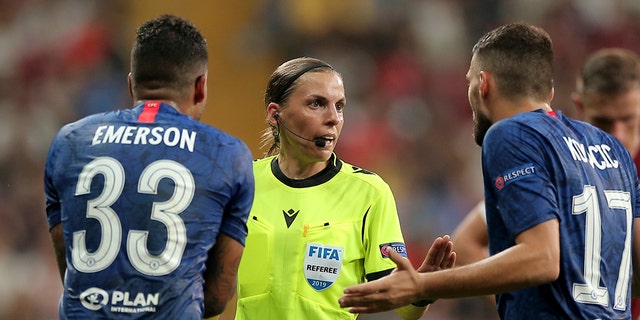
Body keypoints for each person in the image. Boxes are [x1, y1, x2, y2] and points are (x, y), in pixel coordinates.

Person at [339, 22, 640, 319]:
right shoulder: (611, 148)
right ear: (549, 91)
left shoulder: (511, 134)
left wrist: (421, 284)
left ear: (483, 84)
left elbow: (542, 259)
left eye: (469, 80)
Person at [44, 14, 255, 319]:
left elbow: (71, 265)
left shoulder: (69, 141)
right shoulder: (228, 155)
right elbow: (217, 296)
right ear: (201, 86)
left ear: (131, 85)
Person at [233, 57, 455, 320]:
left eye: (339, 106)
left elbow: (406, 311)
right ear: (275, 114)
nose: (333, 119)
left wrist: (422, 288)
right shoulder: (243, 181)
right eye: (316, 104)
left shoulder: (369, 193)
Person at [450, 47, 640, 317]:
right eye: (603, 122)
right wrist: (527, 300)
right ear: (581, 107)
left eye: (628, 120)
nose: (618, 134)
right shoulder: (558, 159)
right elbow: (466, 243)